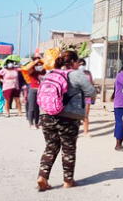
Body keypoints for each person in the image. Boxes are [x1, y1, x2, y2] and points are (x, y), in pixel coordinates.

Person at [37, 50, 96, 191]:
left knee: (50, 146)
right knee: (68, 148)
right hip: (68, 117)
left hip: (46, 114)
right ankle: (68, 181)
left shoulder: (50, 73)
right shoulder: (76, 74)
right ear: (74, 62)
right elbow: (91, 92)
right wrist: (85, 101)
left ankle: (42, 177)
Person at [21, 55, 46, 129]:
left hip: (41, 90)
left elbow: (48, 65)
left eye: (40, 64)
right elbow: (27, 68)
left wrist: (41, 60)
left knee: (37, 108)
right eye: (37, 65)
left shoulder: (43, 71)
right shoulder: (31, 71)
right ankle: (31, 123)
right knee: (31, 107)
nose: (39, 66)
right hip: (33, 90)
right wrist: (35, 62)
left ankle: (36, 123)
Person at [77, 59, 95, 137]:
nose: (82, 66)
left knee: (85, 114)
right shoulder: (74, 73)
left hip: (87, 96)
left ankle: (86, 132)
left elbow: (91, 84)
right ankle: (75, 132)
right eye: (80, 64)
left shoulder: (88, 73)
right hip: (77, 96)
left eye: (83, 64)